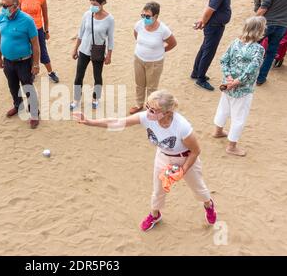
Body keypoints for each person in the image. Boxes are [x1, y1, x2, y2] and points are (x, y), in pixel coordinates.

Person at [73, 90, 217, 232]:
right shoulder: (146, 117)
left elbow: (196, 151)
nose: (148, 112)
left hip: (185, 157)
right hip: (163, 156)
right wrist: (89, 122)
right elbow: (118, 122)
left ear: (167, 113)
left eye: (153, 110)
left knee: (198, 188)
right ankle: (155, 215)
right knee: (158, 190)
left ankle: (208, 205)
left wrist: (182, 170)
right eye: (148, 107)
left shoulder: (182, 126)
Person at [213, 17, 266, 157]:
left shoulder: (235, 42)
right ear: (260, 31)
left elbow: (224, 60)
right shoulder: (258, 49)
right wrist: (237, 82)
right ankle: (231, 146)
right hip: (243, 89)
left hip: (227, 84)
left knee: (223, 108)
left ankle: (218, 131)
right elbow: (252, 69)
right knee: (239, 117)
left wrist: (228, 77)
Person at [191, 0, 250, 91]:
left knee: (204, 49)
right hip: (214, 27)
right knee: (208, 52)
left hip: (214, 25)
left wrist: (203, 22)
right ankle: (200, 79)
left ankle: (196, 73)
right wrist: (203, 22)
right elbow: (209, 10)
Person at [0, 0, 41, 129]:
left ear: (15, 6)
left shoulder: (27, 20)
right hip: (8, 61)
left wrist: (36, 64)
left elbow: (35, 43)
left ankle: (34, 113)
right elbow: (0, 38)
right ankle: (18, 105)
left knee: (27, 87)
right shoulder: (1, 17)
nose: (2, 8)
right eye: (0, 4)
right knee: (12, 86)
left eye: (5, 5)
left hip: (24, 61)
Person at [130, 2, 177, 115]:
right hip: (139, 59)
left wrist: (160, 50)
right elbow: (136, 35)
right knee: (139, 84)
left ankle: (150, 108)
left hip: (155, 62)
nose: (144, 18)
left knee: (152, 87)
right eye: (142, 15)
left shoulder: (163, 30)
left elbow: (172, 43)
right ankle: (139, 104)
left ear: (155, 16)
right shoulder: (139, 24)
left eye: (147, 16)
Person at [71, 0, 114, 110]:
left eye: (95, 4)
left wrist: (109, 55)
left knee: (97, 76)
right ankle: (76, 99)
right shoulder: (87, 14)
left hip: (98, 51)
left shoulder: (109, 19)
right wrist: (75, 49)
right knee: (79, 75)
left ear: (103, 3)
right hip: (84, 50)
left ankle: (96, 98)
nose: (92, 7)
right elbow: (81, 33)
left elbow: (111, 39)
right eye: (91, 4)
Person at [18, 0, 59, 83]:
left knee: (42, 51)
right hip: (24, 30)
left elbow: (45, 16)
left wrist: (47, 30)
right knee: (28, 52)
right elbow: (18, 14)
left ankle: (51, 72)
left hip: (38, 29)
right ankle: (32, 73)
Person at [256, 0, 287, 85]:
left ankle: (246, 73)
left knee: (252, 45)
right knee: (271, 53)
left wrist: (254, 20)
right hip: (282, 26)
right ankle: (261, 78)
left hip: (267, 23)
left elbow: (264, 6)